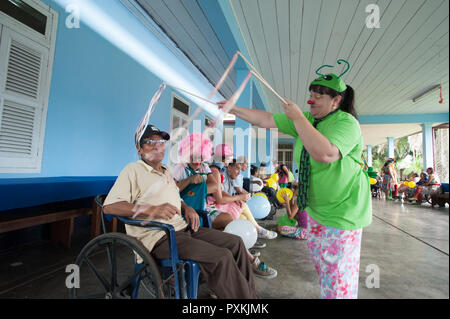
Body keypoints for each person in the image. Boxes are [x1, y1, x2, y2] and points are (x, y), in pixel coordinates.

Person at [218, 66, 372, 299]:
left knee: (340, 278)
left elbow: (326, 154)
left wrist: (299, 117)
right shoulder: (309, 120)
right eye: (312, 93)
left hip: (343, 211)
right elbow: (267, 119)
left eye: (320, 95)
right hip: (317, 210)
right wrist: (233, 109)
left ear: (336, 100)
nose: (312, 99)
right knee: (326, 272)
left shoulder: (346, 123)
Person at [103, 125, 257, 299]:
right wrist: (151, 209)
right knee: (222, 257)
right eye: (150, 142)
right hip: (160, 237)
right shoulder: (133, 170)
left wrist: (186, 207)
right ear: (139, 149)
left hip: (183, 228)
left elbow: (176, 196)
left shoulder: (166, 171)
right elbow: (110, 207)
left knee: (235, 243)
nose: (157, 146)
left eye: (161, 142)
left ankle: (250, 298)